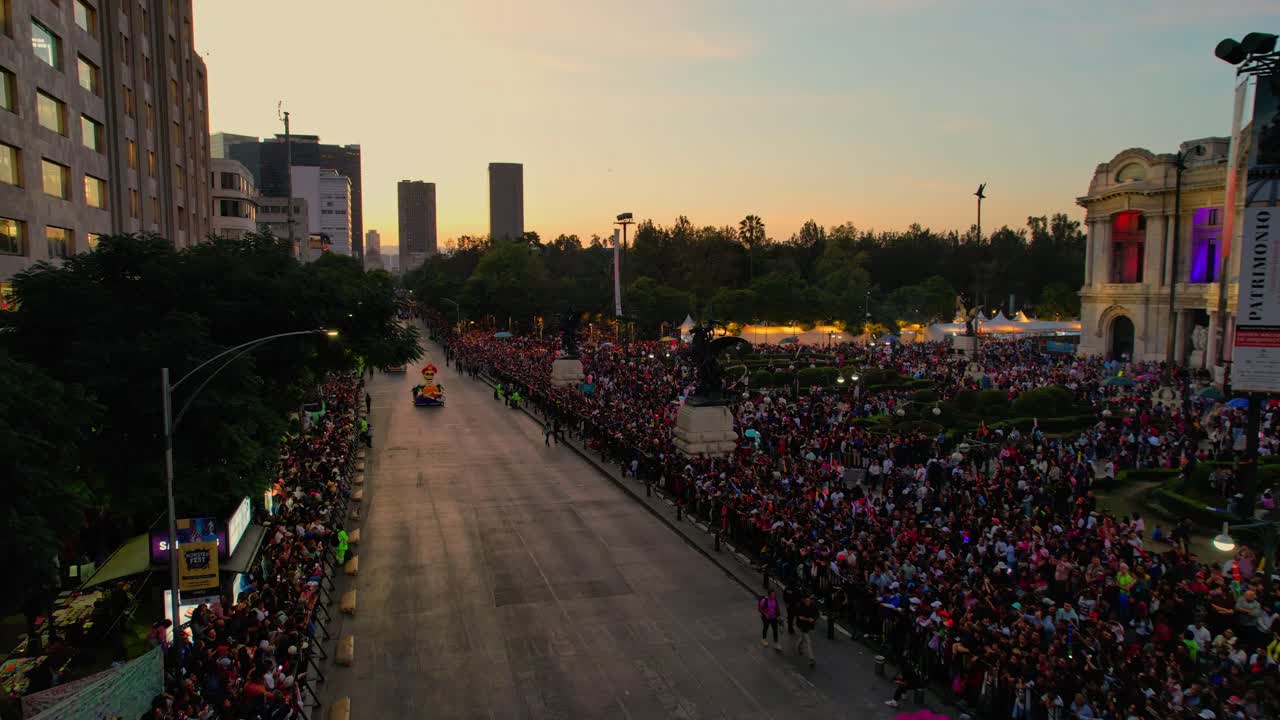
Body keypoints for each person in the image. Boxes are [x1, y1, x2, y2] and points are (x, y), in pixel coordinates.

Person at [795, 594, 818, 667]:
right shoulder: (801, 607)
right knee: (808, 641)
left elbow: (817, 614)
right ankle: (811, 659)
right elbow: (800, 617)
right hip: (802, 626)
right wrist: (809, 619)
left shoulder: (813, 606)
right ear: (804, 601)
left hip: (808, 626)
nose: (808, 602)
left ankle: (798, 646)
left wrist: (814, 619)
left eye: (809, 600)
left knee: (802, 638)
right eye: (806, 601)